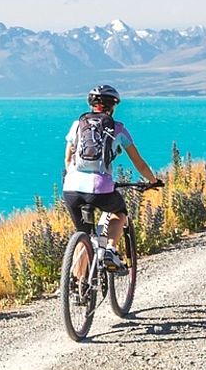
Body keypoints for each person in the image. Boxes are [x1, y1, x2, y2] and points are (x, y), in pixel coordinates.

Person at [63, 84, 163, 273]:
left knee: (83, 235)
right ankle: (110, 250)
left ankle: (77, 287)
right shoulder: (118, 129)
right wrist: (153, 181)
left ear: (91, 104)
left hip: (72, 188)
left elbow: (68, 159)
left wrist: (72, 179)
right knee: (119, 212)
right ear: (113, 106)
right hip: (100, 189)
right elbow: (140, 164)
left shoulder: (77, 125)